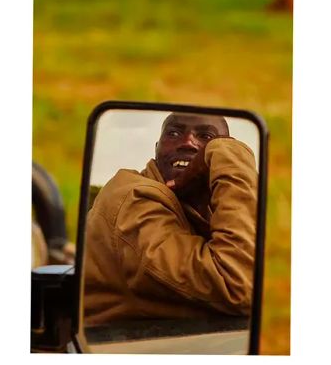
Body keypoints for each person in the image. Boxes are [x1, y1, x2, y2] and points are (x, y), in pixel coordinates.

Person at [83, 113, 257, 326]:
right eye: (174, 133)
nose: (188, 142)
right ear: (157, 148)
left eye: (206, 137)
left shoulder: (200, 206)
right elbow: (237, 285)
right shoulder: (135, 198)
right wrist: (228, 152)